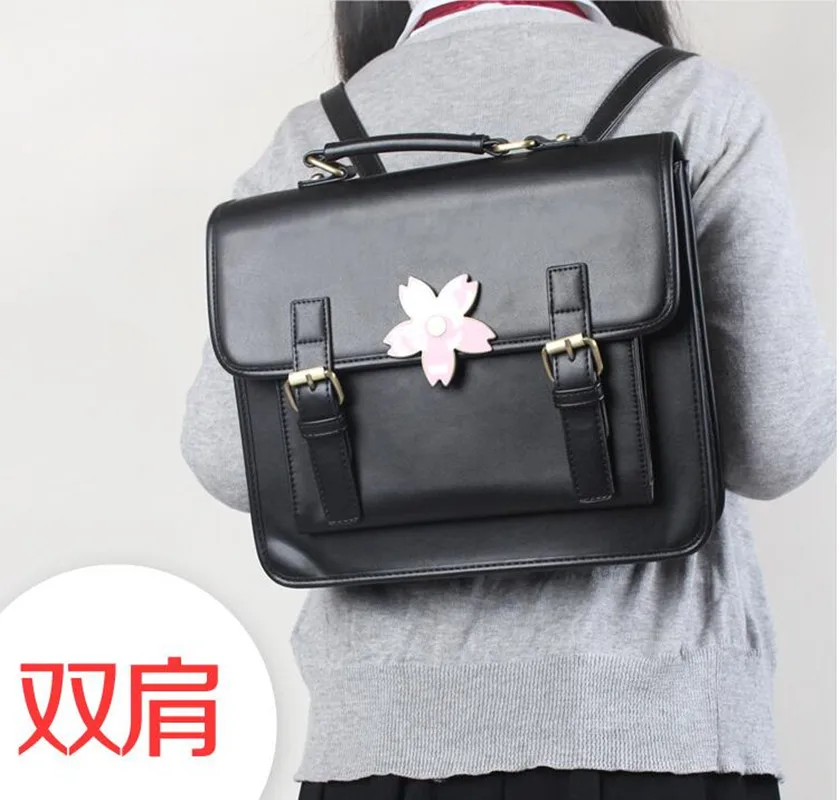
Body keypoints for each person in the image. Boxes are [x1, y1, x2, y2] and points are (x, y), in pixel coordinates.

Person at [180, 1, 836, 798]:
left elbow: (227, 460)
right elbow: (776, 445)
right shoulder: (693, 101)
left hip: (384, 738)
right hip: (650, 728)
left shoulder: (314, 137)